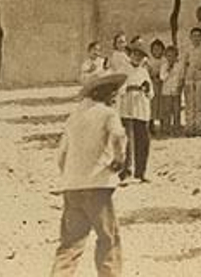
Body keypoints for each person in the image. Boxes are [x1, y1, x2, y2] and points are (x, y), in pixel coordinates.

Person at [53, 67, 127, 275]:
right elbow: (119, 137)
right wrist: (118, 161)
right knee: (108, 238)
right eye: (111, 90)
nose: (114, 94)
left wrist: (70, 176)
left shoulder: (74, 116)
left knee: (70, 244)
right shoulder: (108, 114)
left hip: (72, 186)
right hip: (98, 185)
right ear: (100, 91)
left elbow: (61, 154)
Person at [117, 40, 153, 184]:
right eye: (134, 54)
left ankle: (141, 171)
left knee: (143, 139)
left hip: (141, 107)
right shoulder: (123, 69)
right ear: (129, 54)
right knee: (126, 140)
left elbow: (151, 92)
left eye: (140, 55)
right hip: (127, 106)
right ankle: (125, 171)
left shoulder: (144, 71)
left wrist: (147, 89)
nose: (137, 57)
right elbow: (118, 88)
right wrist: (128, 88)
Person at [182, 27, 201, 136]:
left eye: (198, 36)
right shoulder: (187, 51)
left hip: (200, 79)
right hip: (189, 79)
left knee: (199, 103)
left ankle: (199, 126)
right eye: (194, 36)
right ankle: (189, 125)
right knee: (189, 103)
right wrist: (183, 79)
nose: (196, 38)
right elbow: (184, 65)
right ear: (190, 37)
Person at [158, 41, 183, 136]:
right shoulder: (164, 66)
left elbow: (180, 78)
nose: (171, 58)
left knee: (176, 110)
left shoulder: (179, 66)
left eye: (173, 56)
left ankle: (176, 128)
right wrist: (168, 70)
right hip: (166, 91)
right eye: (168, 56)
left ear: (176, 56)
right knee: (167, 111)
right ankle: (166, 128)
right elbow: (162, 77)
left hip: (176, 91)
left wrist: (179, 87)